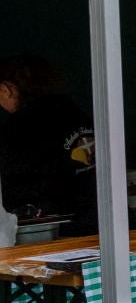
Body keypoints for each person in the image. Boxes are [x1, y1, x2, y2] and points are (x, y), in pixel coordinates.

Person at [0, 55, 96, 237]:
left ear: (6, 89)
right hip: (102, 218)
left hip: (55, 228)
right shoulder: (76, 112)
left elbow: (10, 182)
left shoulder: (19, 126)